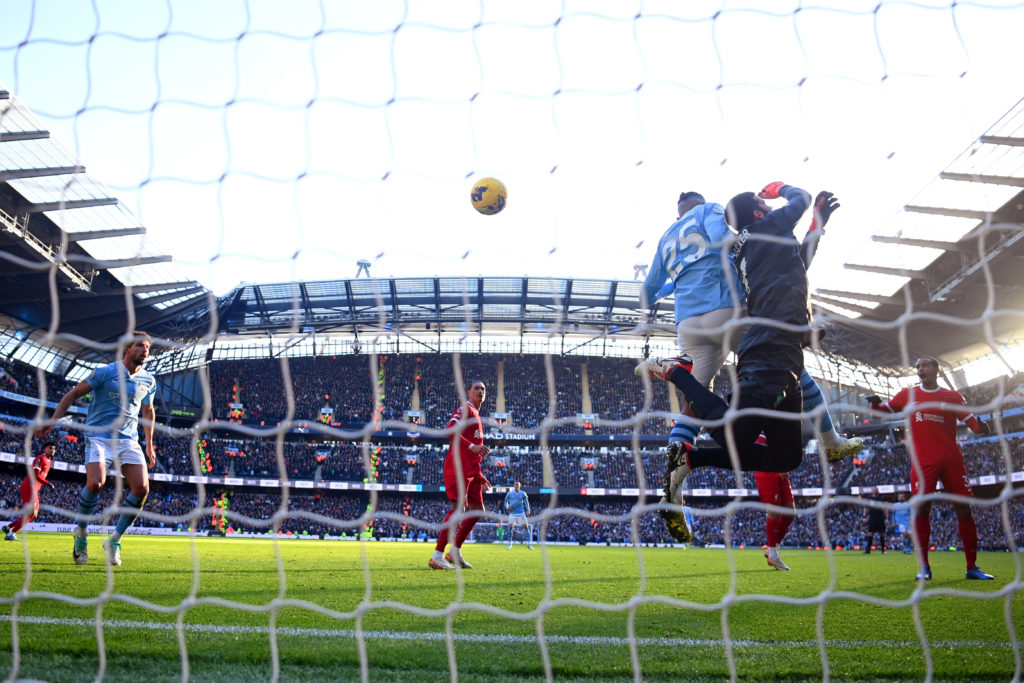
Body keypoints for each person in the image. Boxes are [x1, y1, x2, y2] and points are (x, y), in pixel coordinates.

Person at [639, 189, 861, 543]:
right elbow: (725, 238)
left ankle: (675, 477)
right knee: (789, 373)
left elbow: (648, 291)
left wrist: (672, 286)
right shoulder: (715, 214)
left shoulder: (667, 237)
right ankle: (831, 439)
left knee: (699, 403)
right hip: (732, 314)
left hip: (689, 323)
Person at [866, 356, 993, 580]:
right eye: (917, 366)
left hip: (952, 460)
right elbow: (884, 410)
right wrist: (875, 403)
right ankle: (924, 567)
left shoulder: (952, 396)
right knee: (923, 509)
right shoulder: (908, 394)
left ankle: (972, 567)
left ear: (936, 369)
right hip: (923, 462)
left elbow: (972, 422)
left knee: (965, 510)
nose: (920, 369)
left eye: (924, 365)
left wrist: (981, 428)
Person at [35, 333, 157, 566]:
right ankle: (81, 535)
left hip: (128, 440)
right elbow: (73, 394)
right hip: (98, 437)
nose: (145, 351)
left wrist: (149, 444)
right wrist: (53, 421)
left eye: (148, 347)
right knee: (95, 483)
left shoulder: (148, 380)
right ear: (127, 349)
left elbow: (148, 411)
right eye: (140, 346)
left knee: (142, 488)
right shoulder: (105, 372)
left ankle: (114, 540)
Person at [429, 380, 491, 570]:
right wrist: (472, 446)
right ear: (469, 392)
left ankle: (454, 552)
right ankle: (437, 556)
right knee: (458, 510)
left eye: (483, 389)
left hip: (472, 472)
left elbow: (473, 455)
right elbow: (450, 430)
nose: (480, 391)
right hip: (458, 468)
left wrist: (479, 475)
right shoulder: (466, 408)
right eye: (477, 388)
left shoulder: (477, 417)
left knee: (478, 509)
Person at [3, 441, 57, 541]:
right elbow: (36, 475)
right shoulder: (41, 458)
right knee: (31, 513)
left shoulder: (49, 461)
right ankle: (11, 533)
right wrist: (48, 483)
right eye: (50, 448)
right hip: (29, 487)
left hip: (34, 489)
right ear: (45, 449)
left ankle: (8, 527)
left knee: (34, 515)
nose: (53, 450)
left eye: (54, 449)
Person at [756, 470, 795, 570]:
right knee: (774, 511)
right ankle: (773, 555)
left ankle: (771, 550)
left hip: (780, 468)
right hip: (767, 469)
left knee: (790, 512)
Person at [504, 480, 533, 549]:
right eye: (515, 484)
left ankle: (529, 545)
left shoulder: (523, 493)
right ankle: (509, 544)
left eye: (517, 484)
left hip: (521, 513)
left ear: (520, 486)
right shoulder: (510, 494)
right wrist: (507, 507)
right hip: (512, 513)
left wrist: (528, 510)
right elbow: (505, 501)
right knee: (510, 527)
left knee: (526, 527)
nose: (516, 485)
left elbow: (526, 502)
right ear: (513, 485)